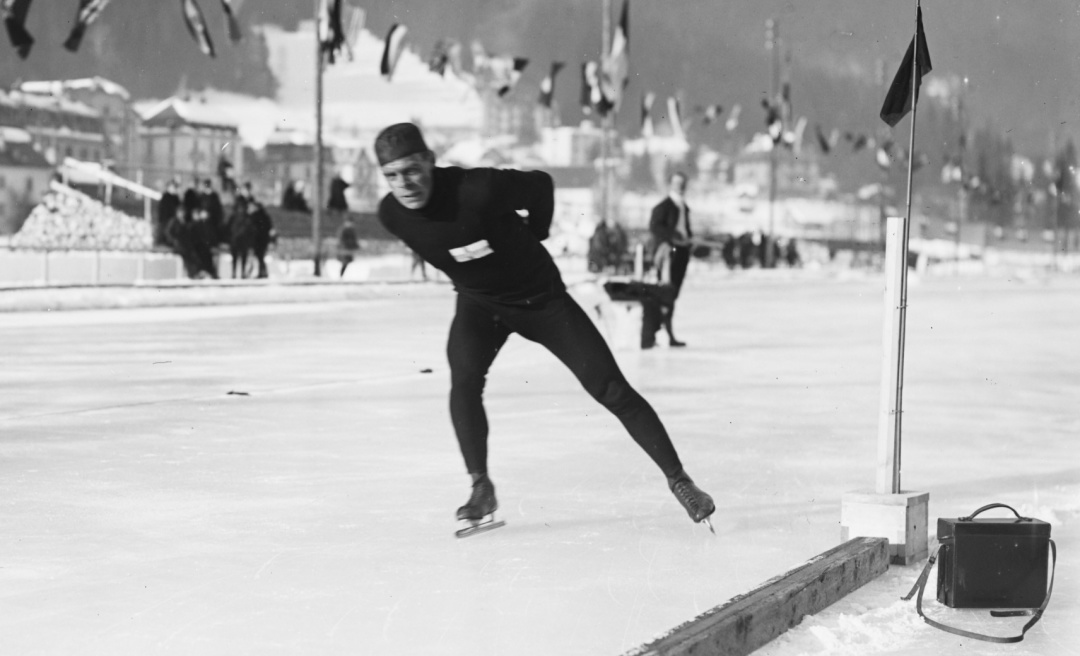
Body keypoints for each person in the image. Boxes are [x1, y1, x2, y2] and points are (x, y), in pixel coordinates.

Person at [374, 122, 715, 534]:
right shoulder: (392, 216)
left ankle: (680, 480)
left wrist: (537, 231)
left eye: (411, 169)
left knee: (608, 387)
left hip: (542, 301)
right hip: (481, 306)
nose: (404, 184)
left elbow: (541, 185)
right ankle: (481, 486)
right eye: (392, 175)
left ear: (430, 161)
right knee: (463, 380)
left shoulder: (476, 189)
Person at [648, 172, 693, 347]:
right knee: (666, 292)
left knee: (672, 294)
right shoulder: (663, 206)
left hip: (681, 252)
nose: (679, 186)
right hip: (669, 253)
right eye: (677, 183)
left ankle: (667, 333)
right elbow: (655, 227)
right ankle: (659, 333)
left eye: (682, 183)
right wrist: (673, 236)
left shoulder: (682, 206)